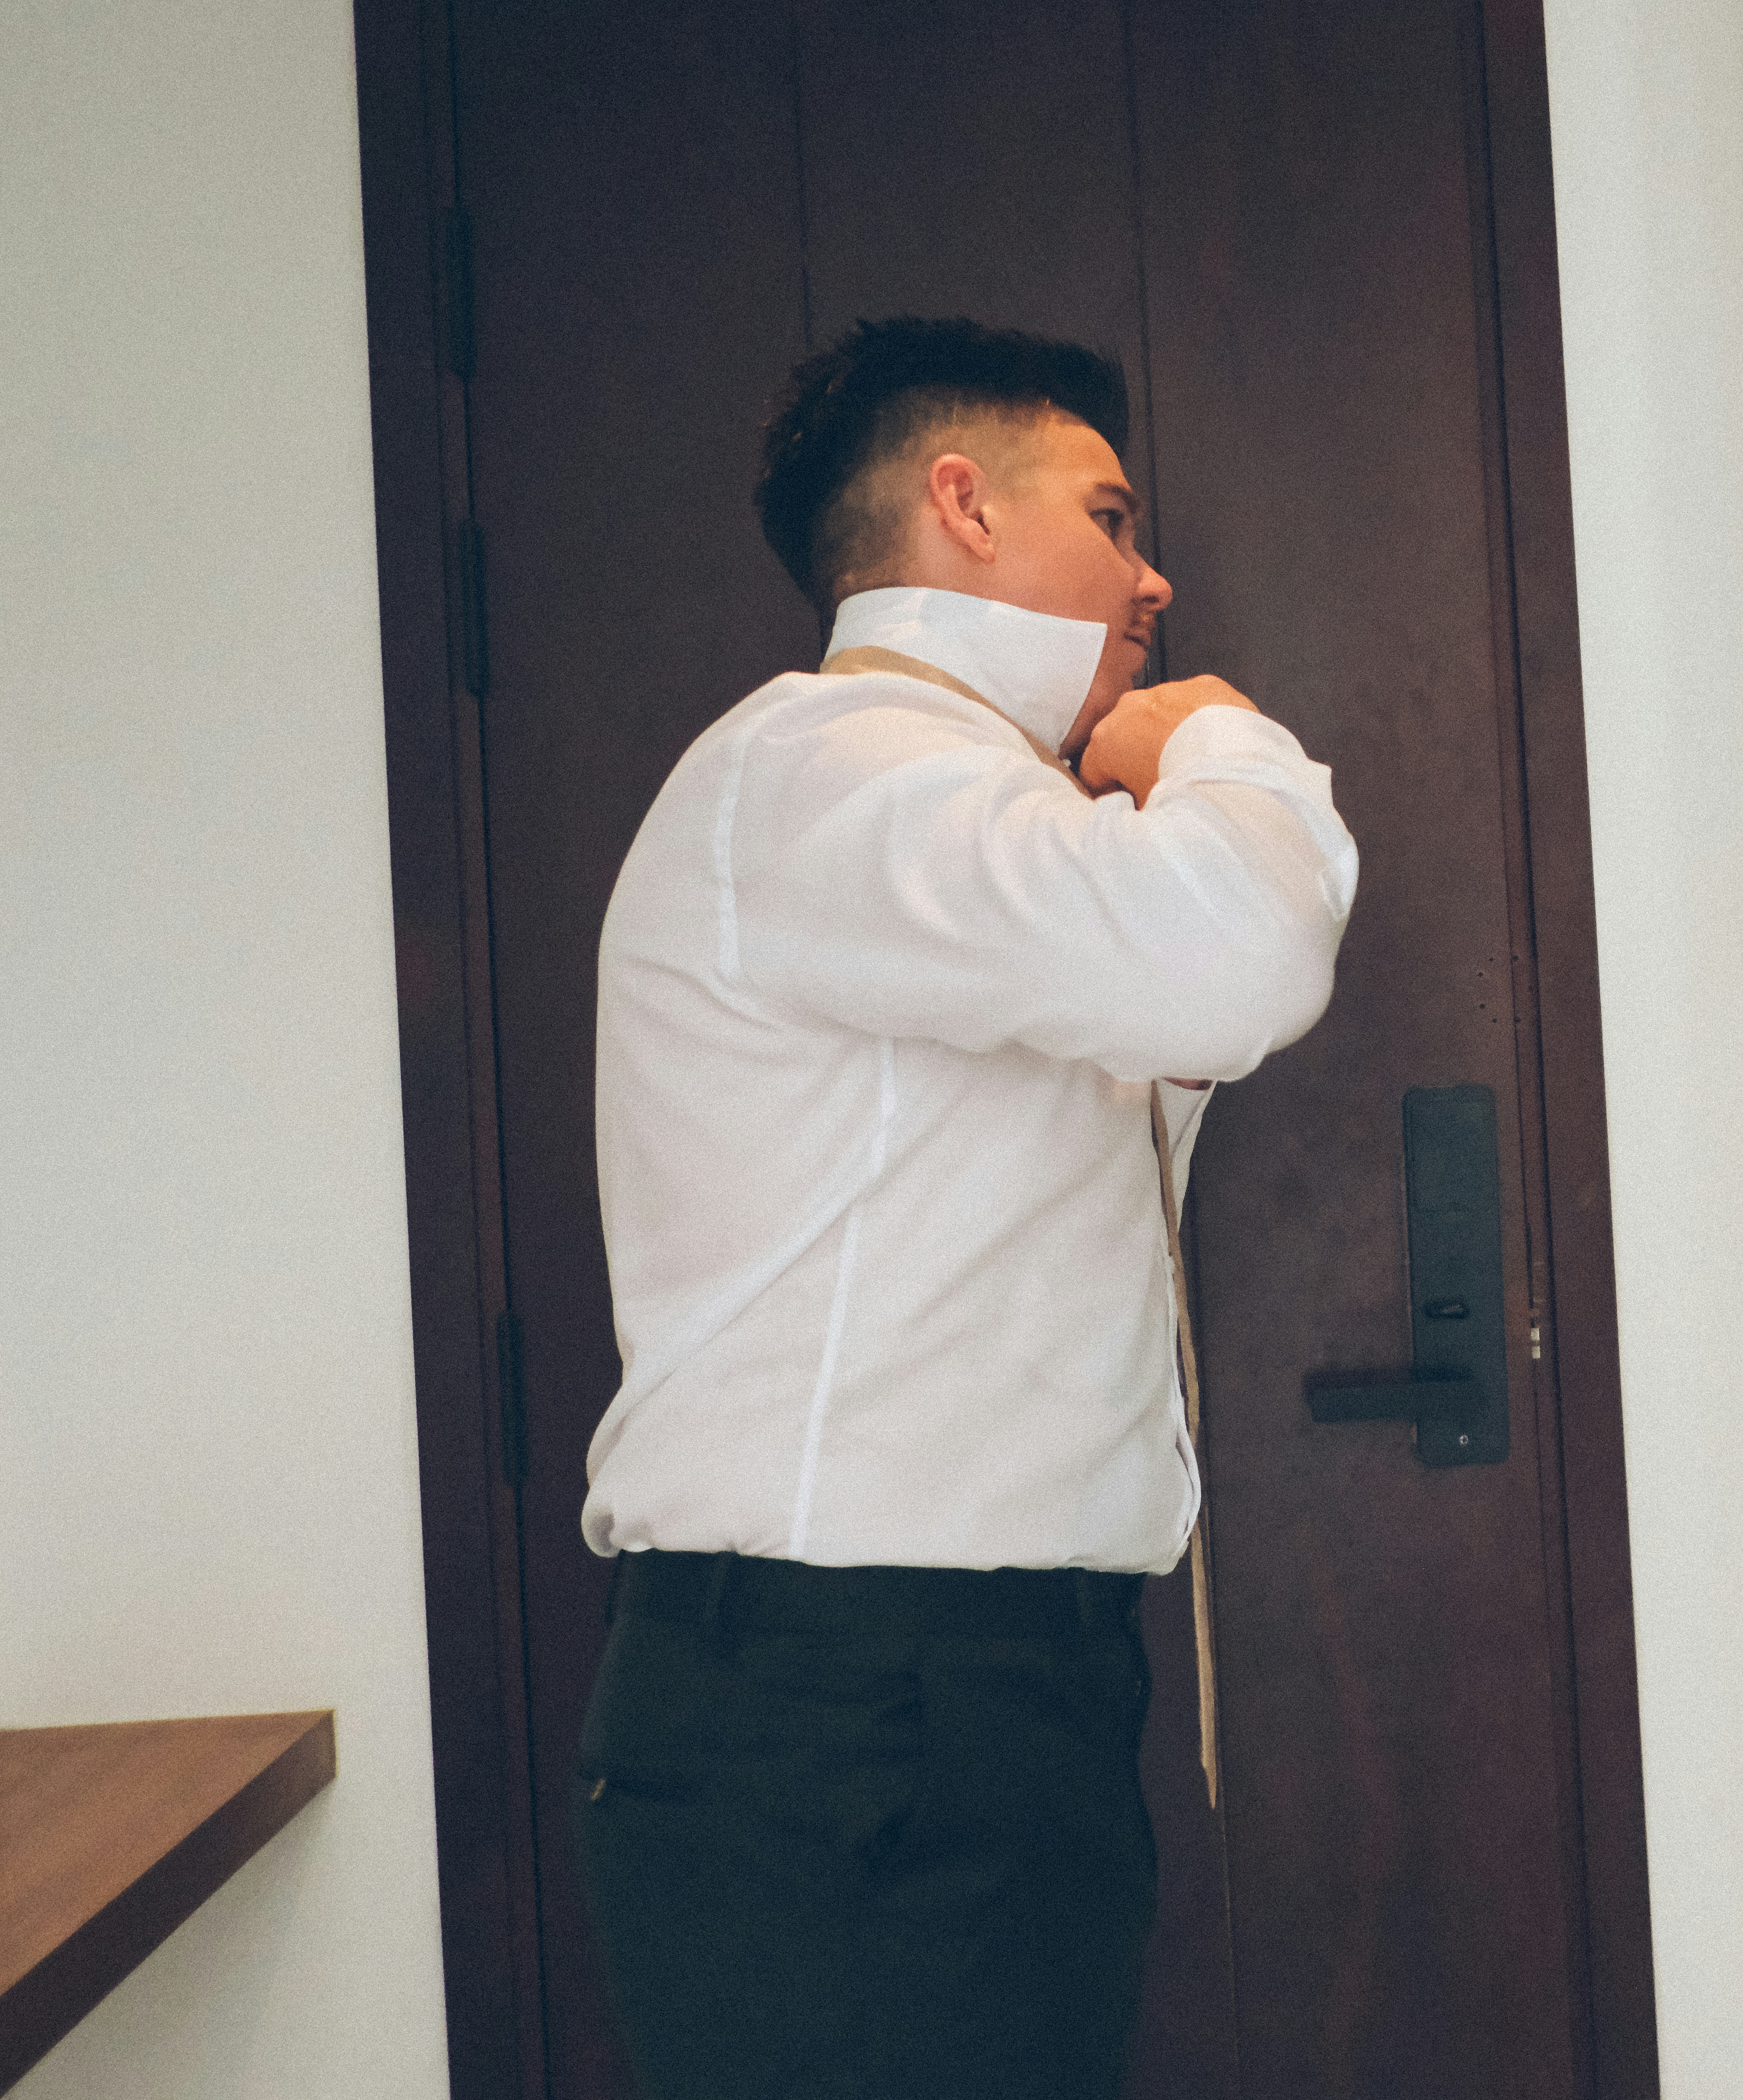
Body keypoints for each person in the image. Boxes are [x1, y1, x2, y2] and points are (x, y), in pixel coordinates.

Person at [571, 316, 1358, 2099]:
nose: (1154, 577)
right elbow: (1236, 951)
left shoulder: (988, 812)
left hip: (977, 1706)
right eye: (1110, 508)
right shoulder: (834, 769)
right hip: (850, 1723)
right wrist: (1220, 736)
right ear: (961, 506)